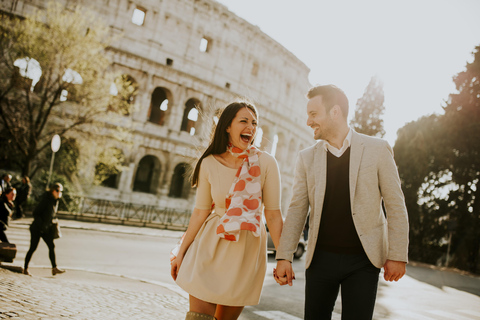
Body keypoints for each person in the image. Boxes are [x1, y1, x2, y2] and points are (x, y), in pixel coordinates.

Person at [274, 85, 409, 320]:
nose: (308, 121)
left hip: (363, 262)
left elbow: (395, 205)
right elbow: (297, 209)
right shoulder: (306, 158)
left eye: (313, 114)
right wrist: (284, 256)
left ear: (335, 112)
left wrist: (397, 255)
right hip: (320, 260)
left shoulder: (377, 149)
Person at [170, 101, 284, 320]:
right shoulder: (209, 163)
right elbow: (200, 212)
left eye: (254, 123)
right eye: (244, 121)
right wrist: (181, 252)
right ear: (227, 126)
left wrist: (283, 258)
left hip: (246, 249)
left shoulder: (267, 163)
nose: (251, 127)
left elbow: (273, 214)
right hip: (210, 245)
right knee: (197, 318)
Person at [23, 182, 65, 276]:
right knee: (33, 248)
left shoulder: (55, 201)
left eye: (61, 191)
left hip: (46, 229)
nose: (59, 193)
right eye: (57, 191)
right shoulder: (46, 200)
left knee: (51, 246)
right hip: (37, 229)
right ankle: (25, 268)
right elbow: (36, 213)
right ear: (53, 191)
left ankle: (54, 268)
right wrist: (41, 225)